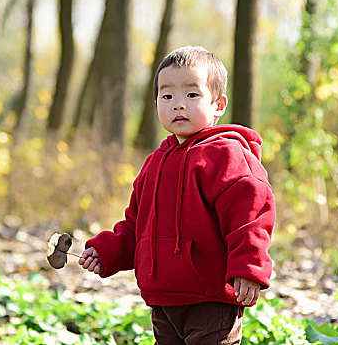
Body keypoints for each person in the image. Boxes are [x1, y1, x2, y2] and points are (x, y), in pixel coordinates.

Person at [78, 46, 275, 344]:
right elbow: (137, 224)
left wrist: (249, 268)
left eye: (192, 95)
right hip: (163, 297)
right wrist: (108, 251)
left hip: (211, 297)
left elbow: (250, 217)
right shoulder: (156, 162)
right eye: (167, 96)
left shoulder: (226, 156)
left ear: (218, 105)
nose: (178, 105)